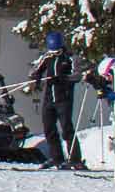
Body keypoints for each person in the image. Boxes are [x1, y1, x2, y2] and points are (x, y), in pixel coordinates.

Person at [27, 32, 84, 169]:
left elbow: (77, 76)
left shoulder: (70, 58)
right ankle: (56, 158)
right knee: (49, 129)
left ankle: (75, 159)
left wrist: (63, 78)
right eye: (52, 51)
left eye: (56, 51)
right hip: (49, 99)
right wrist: (36, 77)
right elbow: (34, 71)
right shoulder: (47, 57)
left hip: (63, 99)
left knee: (66, 129)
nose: (54, 53)